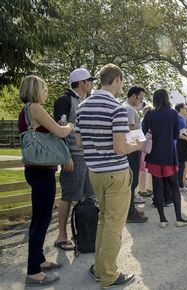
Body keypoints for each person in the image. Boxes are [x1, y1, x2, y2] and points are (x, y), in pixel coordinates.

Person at [75, 64, 143, 288]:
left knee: (104, 220)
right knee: (114, 224)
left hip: (95, 172)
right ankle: (109, 275)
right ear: (117, 79)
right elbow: (120, 148)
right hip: (116, 172)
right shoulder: (117, 107)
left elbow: (78, 142)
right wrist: (139, 144)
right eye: (122, 81)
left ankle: (99, 267)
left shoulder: (82, 107)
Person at [18, 75, 74, 287]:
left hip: (37, 170)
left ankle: (39, 260)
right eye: (44, 88)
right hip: (41, 172)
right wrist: (68, 125)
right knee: (41, 221)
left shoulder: (28, 110)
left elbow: (49, 131)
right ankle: (33, 272)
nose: (46, 92)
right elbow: (60, 132)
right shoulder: (35, 108)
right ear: (35, 89)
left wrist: (58, 127)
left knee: (38, 219)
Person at [52, 68, 97, 251]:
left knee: (88, 196)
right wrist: (66, 156)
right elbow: (59, 131)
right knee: (69, 197)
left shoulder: (83, 101)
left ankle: (82, 234)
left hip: (85, 157)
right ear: (81, 83)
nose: (92, 84)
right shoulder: (64, 100)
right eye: (89, 81)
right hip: (73, 157)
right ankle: (61, 236)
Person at [142, 89, 187, 228]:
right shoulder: (173, 113)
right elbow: (176, 135)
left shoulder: (150, 114)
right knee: (174, 186)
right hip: (169, 155)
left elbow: (143, 131)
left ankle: (162, 220)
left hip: (154, 156)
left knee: (157, 188)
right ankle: (179, 218)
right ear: (166, 98)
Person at [124, 85, 149, 223]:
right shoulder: (128, 109)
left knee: (133, 182)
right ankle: (129, 213)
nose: (141, 101)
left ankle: (131, 210)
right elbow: (129, 129)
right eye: (140, 98)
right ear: (133, 96)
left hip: (133, 149)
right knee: (131, 182)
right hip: (132, 150)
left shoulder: (131, 109)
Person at [174, 103, 187, 191]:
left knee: (183, 165)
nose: (186, 110)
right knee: (181, 165)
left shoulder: (182, 118)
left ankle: (182, 183)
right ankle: (180, 186)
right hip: (180, 144)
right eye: (185, 108)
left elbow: (185, 131)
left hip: (182, 144)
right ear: (181, 109)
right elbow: (178, 134)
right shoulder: (178, 118)